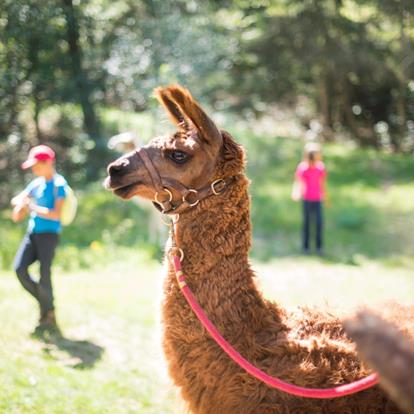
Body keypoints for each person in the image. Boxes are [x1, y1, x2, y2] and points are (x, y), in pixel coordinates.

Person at [11, 145, 67, 331]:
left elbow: (56, 214)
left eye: (36, 165)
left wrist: (32, 207)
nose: (34, 170)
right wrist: (21, 204)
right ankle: (47, 305)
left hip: (49, 235)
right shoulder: (36, 183)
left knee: (44, 275)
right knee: (20, 269)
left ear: (48, 163)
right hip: (33, 234)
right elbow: (18, 199)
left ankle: (47, 314)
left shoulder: (59, 185)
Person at [291, 142, 327, 254]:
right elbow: (298, 182)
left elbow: (322, 184)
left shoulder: (320, 168)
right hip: (307, 199)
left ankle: (319, 247)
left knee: (319, 223)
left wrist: (325, 197)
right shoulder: (303, 168)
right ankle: (306, 247)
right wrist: (295, 192)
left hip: (317, 199)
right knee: (306, 223)